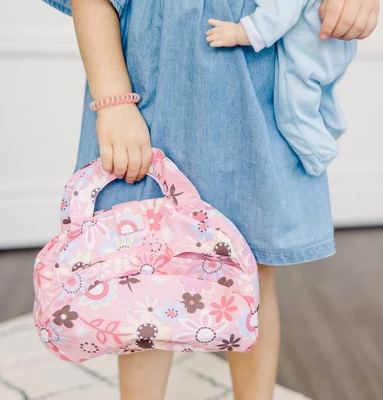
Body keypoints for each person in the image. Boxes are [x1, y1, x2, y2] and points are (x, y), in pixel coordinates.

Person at [42, 0, 379, 399]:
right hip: (151, 82)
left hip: (252, 77)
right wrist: (114, 101)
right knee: (139, 269)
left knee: (251, 267)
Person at [207, 0, 358, 176]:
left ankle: (319, 155)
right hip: (333, 45)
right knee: (323, 94)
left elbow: (278, 16)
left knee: (292, 108)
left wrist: (237, 32)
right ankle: (333, 126)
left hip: (310, 51)